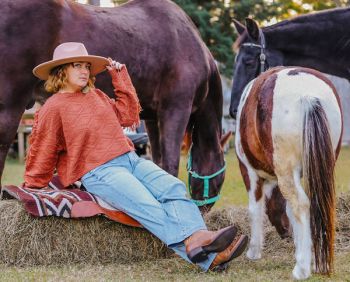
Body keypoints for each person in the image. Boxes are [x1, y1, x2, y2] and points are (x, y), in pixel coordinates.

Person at [25, 42, 248, 272]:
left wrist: (120, 77)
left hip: (130, 160)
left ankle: (202, 241)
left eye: (86, 66)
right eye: (77, 66)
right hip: (99, 171)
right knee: (147, 205)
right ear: (61, 71)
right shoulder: (53, 108)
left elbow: (129, 114)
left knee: (173, 188)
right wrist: (33, 186)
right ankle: (207, 254)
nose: (84, 71)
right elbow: (43, 149)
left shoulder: (97, 96)